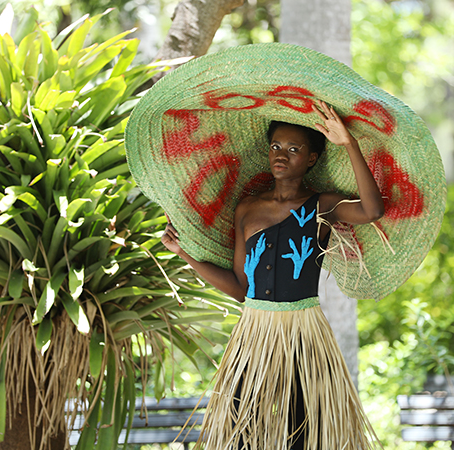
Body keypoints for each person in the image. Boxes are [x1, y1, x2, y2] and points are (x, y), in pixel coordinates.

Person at [161, 100, 383, 450]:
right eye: (276, 146)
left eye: (294, 149)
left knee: (304, 427)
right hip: (253, 333)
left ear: (311, 158)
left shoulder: (321, 205)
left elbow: (372, 210)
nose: (282, 155)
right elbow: (240, 288)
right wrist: (183, 253)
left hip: (304, 334)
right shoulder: (248, 208)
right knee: (238, 421)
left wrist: (348, 144)